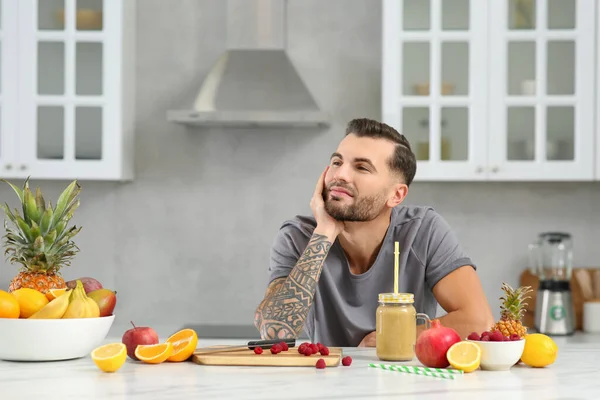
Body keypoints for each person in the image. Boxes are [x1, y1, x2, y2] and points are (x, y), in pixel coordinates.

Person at [253, 118, 494, 347]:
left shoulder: (424, 230)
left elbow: (478, 321)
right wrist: (325, 232)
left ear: (396, 195)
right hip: (326, 380)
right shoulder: (297, 237)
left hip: (404, 378)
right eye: (337, 162)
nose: (340, 175)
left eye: (361, 167)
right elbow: (276, 333)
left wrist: (394, 336)